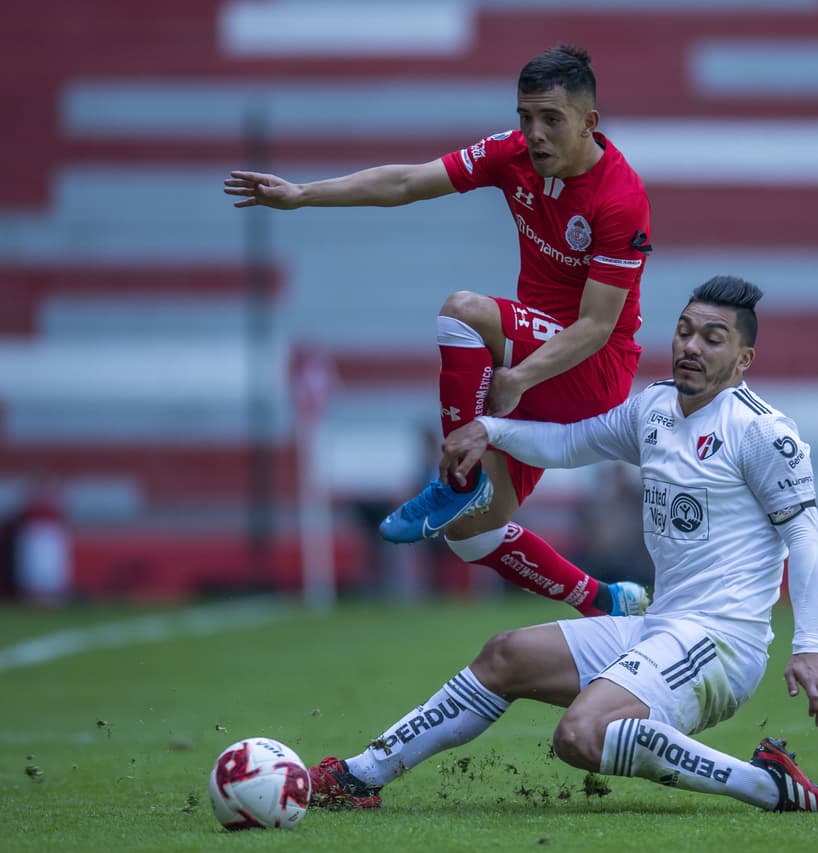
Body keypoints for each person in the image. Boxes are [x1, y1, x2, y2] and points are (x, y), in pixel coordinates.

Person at [305, 276, 818, 813]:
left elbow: (805, 538)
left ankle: (768, 786)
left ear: (743, 359)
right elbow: (569, 443)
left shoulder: (762, 432)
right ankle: (359, 776)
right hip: (662, 624)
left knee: (581, 735)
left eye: (712, 337)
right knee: (505, 655)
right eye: (684, 331)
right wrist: (489, 431)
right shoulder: (654, 408)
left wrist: (809, 647)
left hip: (721, 642)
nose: (690, 346)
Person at [224, 45, 652, 618]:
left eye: (551, 119)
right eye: (526, 118)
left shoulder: (620, 198)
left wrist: (518, 378)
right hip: (533, 362)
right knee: (472, 535)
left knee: (462, 311)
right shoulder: (512, 155)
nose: (534, 133)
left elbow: (598, 327)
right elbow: (404, 183)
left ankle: (456, 478)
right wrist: (303, 195)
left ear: (588, 122)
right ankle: (604, 602)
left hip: (590, 369)